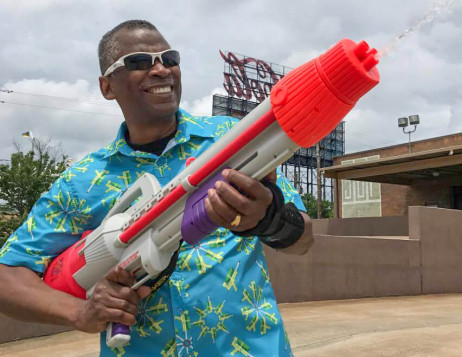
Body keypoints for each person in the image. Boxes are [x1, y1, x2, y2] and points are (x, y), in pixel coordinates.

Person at [0, 20, 313, 356]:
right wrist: (80, 313)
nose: (161, 69)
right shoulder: (83, 181)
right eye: (139, 62)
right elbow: (8, 276)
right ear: (107, 87)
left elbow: (304, 240)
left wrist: (268, 218)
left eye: (170, 58)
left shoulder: (231, 139)